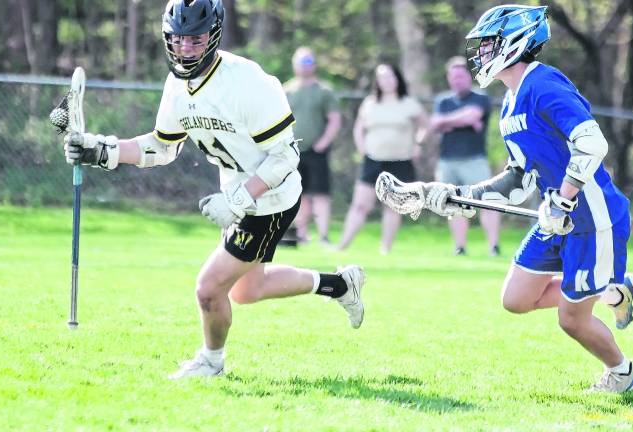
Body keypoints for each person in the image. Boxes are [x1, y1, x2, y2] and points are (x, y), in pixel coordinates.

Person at [61, 0, 365, 379]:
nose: (185, 48)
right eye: (177, 39)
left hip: (269, 198)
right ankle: (340, 285)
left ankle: (211, 362)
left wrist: (240, 200)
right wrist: (104, 150)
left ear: (214, 35)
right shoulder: (178, 84)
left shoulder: (247, 82)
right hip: (239, 193)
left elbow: (285, 157)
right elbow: (163, 147)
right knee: (245, 290)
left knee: (208, 289)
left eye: (195, 39)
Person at [409, 5, 633, 392]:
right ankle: (611, 288)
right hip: (555, 216)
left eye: (488, 44)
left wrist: (564, 200)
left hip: (591, 218)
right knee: (516, 299)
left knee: (571, 320)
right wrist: (466, 197)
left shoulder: (543, 86)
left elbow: (591, 143)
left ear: (514, 43)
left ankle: (622, 372)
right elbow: (520, 178)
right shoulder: (509, 102)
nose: (481, 53)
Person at [337, 64, 428, 254]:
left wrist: (418, 144)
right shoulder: (370, 103)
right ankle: (343, 245)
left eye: (390, 77)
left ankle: (386, 247)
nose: (386, 81)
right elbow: (358, 129)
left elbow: (424, 125)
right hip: (373, 161)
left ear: (397, 79)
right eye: (382, 77)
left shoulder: (408, 103)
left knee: (393, 206)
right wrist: (362, 148)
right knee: (360, 204)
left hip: (400, 161)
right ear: (377, 82)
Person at [430, 56, 501, 256]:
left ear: (468, 77)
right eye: (453, 77)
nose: (457, 80)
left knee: (487, 202)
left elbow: (473, 116)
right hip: (447, 161)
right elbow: (434, 124)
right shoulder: (443, 100)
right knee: (453, 205)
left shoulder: (480, 97)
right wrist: (460, 120)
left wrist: (448, 122)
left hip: (474, 160)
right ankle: (460, 247)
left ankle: (493, 246)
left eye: (461, 76)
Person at [284, 47, 342, 245]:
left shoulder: (323, 90)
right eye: (301, 62)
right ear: (294, 65)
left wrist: (323, 142)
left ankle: (323, 236)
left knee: (320, 194)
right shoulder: (287, 90)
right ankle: (301, 235)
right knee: (299, 194)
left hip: (317, 151)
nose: (304, 66)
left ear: (314, 65)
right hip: (293, 151)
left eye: (308, 62)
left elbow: (335, 119)